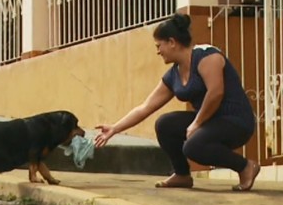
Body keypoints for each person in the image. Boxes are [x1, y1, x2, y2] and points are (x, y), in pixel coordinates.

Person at [94, 13, 260, 191]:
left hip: (235, 121)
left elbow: (216, 93)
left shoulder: (206, 57)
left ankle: (245, 166)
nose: (158, 51)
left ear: (172, 42)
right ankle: (181, 174)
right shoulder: (174, 74)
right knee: (165, 124)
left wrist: (196, 123)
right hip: (210, 121)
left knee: (194, 146)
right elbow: (146, 107)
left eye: (159, 46)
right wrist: (115, 128)